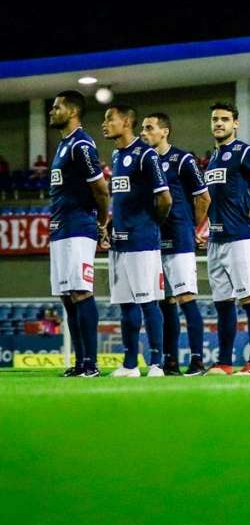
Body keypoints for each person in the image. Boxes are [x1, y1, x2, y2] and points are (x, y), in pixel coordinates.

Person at [101, 104, 172, 377]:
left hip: (142, 242)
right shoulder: (117, 156)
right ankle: (130, 364)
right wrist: (110, 222)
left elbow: (165, 198)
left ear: (126, 121)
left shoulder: (146, 155)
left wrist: (152, 223)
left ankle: (156, 363)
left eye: (110, 119)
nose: (104, 124)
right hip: (119, 243)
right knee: (126, 304)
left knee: (148, 302)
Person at [203, 102, 250, 375]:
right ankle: (223, 363)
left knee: (249, 299)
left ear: (236, 124)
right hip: (215, 239)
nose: (218, 123)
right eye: (214, 119)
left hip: (240, 240)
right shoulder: (212, 158)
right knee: (222, 303)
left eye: (224, 119)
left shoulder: (245, 152)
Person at [140, 113, 211, 376]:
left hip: (179, 237)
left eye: (149, 128)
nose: (144, 133)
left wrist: (190, 226)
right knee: (164, 301)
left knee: (185, 297)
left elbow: (203, 197)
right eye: (142, 128)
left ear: (165, 131)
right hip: (152, 239)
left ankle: (196, 361)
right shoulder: (143, 162)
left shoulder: (182, 159)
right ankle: (169, 361)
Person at [49, 91, 109, 377]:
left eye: (57, 107)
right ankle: (80, 361)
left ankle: (91, 364)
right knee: (67, 296)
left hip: (79, 227)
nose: (52, 111)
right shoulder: (64, 145)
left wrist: (103, 220)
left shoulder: (81, 144)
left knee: (81, 292)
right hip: (60, 228)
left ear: (72, 111)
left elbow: (100, 188)